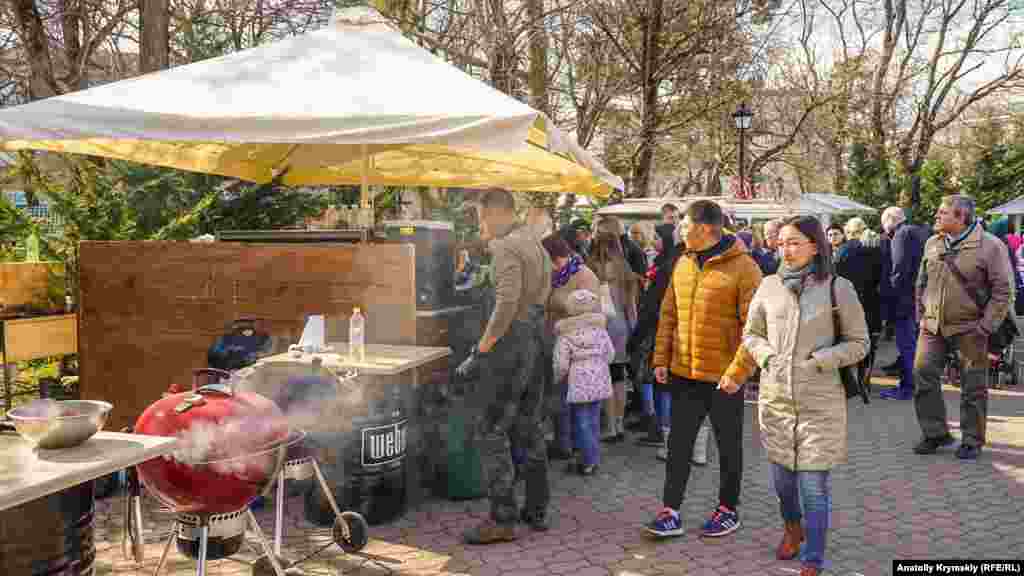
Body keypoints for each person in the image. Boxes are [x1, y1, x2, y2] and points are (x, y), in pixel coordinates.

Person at [743, 215, 868, 576]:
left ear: (816, 246)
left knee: (813, 486)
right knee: (783, 483)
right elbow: (751, 334)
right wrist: (766, 356)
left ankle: (813, 557)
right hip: (776, 400)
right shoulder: (768, 286)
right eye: (782, 243)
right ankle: (792, 529)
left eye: (795, 242)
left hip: (820, 403)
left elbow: (860, 342)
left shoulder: (838, 288)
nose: (787, 249)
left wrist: (822, 360)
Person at [644, 200, 761, 539]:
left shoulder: (745, 268)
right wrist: (661, 359)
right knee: (678, 444)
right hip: (684, 373)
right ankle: (670, 510)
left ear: (707, 228)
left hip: (725, 378)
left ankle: (727, 508)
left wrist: (738, 372)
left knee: (728, 446)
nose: (680, 228)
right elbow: (668, 315)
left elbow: (753, 329)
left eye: (685, 224)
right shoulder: (681, 263)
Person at [458, 188, 552, 543]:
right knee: (529, 427)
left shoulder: (504, 246)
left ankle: (502, 519)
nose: (480, 224)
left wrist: (482, 349)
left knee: (490, 430)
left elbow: (507, 302)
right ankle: (537, 509)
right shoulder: (533, 241)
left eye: (482, 217)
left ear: (498, 213)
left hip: (511, 347)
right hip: (538, 341)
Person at [913, 195, 1013, 460]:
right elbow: (921, 281)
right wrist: (920, 314)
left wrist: (985, 326)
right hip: (932, 326)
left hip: (971, 327)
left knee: (973, 386)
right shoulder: (932, 243)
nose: (936, 216)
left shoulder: (990, 246)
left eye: (942, 213)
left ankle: (971, 440)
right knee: (923, 375)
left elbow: (1003, 291)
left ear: (961, 218)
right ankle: (935, 433)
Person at [542, 235, 601, 461]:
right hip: (554, 342)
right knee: (559, 396)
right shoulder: (554, 275)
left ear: (555, 257)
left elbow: (588, 310)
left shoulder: (583, 275)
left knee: (574, 399)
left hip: (575, 347)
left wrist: (559, 304)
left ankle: (579, 446)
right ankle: (563, 443)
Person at [587, 216, 640, 442]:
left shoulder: (593, 267)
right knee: (619, 375)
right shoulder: (624, 266)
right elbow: (631, 304)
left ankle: (609, 426)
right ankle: (619, 424)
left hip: (603, 325)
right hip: (623, 325)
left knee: (606, 376)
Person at [554, 289, 616, 475]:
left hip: (578, 382)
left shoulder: (565, 334)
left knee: (581, 421)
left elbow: (561, 363)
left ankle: (587, 460)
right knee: (594, 420)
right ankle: (593, 457)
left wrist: (557, 378)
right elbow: (610, 355)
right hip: (599, 379)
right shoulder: (600, 330)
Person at [628, 223, 679, 450]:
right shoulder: (670, 262)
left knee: (662, 385)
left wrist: (637, 336)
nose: (654, 241)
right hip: (667, 331)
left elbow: (652, 305)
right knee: (662, 385)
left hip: (660, 332)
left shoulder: (668, 267)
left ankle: (664, 432)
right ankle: (663, 428)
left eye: (658, 237)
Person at [880, 206, 928, 400]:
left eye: (884, 223)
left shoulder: (901, 235)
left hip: (904, 301)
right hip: (919, 299)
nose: (884, 229)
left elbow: (899, 269)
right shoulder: (919, 232)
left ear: (891, 220)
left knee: (907, 346)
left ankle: (908, 387)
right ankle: (917, 385)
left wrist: (890, 292)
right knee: (915, 346)